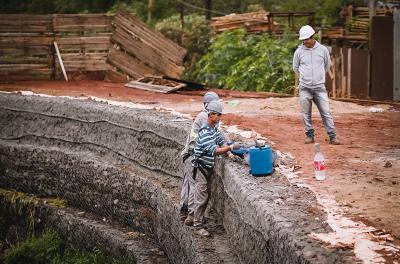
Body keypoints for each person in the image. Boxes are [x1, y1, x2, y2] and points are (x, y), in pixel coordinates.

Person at [188, 100, 240, 237]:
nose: (219, 118)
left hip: (207, 167)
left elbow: (220, 140)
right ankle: (197, 225)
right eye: (217, 115)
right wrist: (230, 148)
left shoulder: (213, 129)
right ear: (210, 115)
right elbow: (214, 150)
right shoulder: (205, 131)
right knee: (201, 196)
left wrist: (228, 150)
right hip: (201, 168)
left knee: (204, 195)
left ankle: (196, 218)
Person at [293, 25, 340, 145]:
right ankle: (309, 136)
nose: (305, 42)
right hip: (305, 87)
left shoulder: (323, 50)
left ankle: (333, 137)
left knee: (326, 112)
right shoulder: (299, 52)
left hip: (319, 87)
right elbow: (296, 68)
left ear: (312, 37)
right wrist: (306, 77)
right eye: (303, 40)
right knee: (306, 113)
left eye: (306, 39)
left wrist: (318, 77)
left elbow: (327, 65)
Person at [179, 91, 220, 222]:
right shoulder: (204, 116)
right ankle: (191, 216)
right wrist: (229, 146)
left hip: (188, 155)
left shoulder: (202, 115)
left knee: (188, 185)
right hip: (193, 156)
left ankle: (184, 212)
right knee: (195, 186)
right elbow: (217, 135)